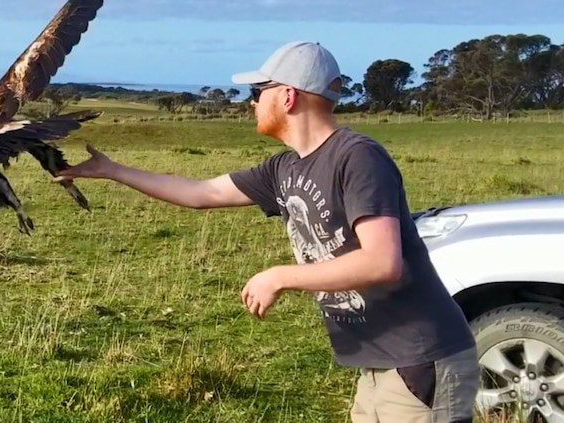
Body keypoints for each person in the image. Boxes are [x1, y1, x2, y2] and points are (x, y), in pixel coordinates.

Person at [54, 41, 480, 422]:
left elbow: (382, 261)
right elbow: (201, 193)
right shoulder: (284, 168)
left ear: (288, 95)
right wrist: (111, 171)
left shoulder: (357, 157)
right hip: (380, 362)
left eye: (258, 93)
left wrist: (280, 276)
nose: (251, 103)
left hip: (421, 357)